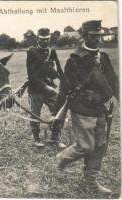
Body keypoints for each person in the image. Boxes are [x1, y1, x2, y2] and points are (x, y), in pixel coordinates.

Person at [53, 20, 119, 194]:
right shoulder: (75, 59)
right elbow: (65, 87)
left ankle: (91, 182)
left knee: (100, 145)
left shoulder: (103, 57)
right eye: (93, 36)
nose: (98, 39)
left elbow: (113, 80)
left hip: (101, 109)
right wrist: (56, 112)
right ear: (84, 36)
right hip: (82, 108)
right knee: (85, 146)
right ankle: (62, 158)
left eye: (99, 36)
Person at [26, 28, 66, 148]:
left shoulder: (51, 51)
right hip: (35, 89)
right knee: (35, 114)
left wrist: (65, 82)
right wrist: (46, 87)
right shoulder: (32, 52)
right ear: (38, 39)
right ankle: (37, 139)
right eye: (42, 39)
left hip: (50, 88)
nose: (45, 42)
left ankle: (54, 138)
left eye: (47, 39)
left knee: (59, 112)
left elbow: (58, 69)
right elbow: (31, 75)